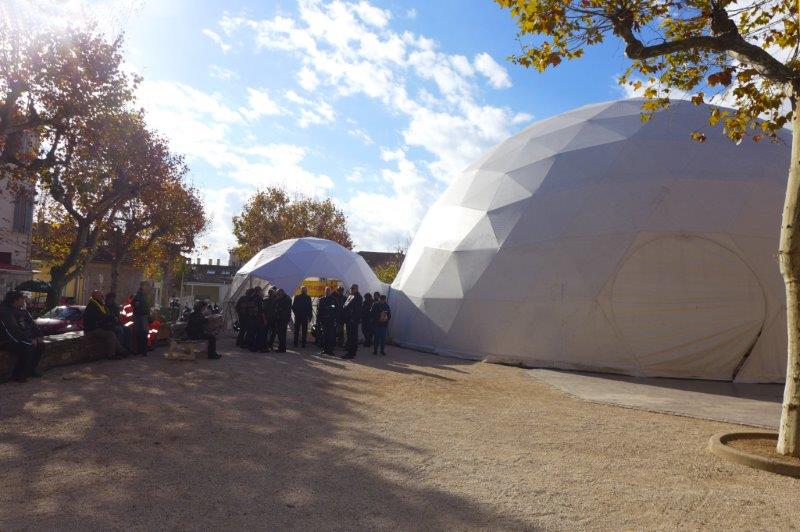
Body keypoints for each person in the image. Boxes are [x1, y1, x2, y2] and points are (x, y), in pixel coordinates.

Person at [0, 290, 43, 382]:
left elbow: (32, 324)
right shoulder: (4, 311)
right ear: (15, 300)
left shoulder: (23, 310)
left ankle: (30, 370)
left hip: (21, 338)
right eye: (22, 299)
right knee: (27, 347)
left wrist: (38, 335)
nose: (24, 301)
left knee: (40, 344)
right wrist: (28, 340)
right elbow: (12, 330)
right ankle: (18, 375)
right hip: (7, 340)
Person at [83, 290, 128, 359]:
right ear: (96, 296)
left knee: (117, 332)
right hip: (92, 329)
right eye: (101, 296)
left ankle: (122, 351)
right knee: (111, 334)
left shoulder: (97, 304)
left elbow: (104, 316)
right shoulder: (93, 306)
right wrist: (112, 318)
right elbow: (101, 317)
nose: (102, 297)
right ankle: (112, 354)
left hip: (97, 327)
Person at [342, 284, 362, 359]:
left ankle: (351, 353)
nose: (351, 289)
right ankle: (349, 350)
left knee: (352, 336)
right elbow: (345, 305)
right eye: (351, 288)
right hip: (348, 319)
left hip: (353, 320)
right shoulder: (350, 296)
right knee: (349, 336)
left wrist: (353, 319)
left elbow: (357, 310)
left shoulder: (358, 297)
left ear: (356, 289)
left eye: (353, 288)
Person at [132, 281, 151, 356]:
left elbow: (149, 304)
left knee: (144, 332)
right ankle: (139, 350)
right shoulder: (137, 294)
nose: (145, 287)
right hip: (138, 315)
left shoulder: (147, 294)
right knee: (139, 332)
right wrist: (135, 304)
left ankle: (144, 350)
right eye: (144, 285)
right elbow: (132, 303)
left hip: (144, 315)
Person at [317, 287, 337, 355]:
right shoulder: (321, 299)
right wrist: (319, 320)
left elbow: (335, 307)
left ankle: (330, 350)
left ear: (330, 292)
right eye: (326, 291)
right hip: (324, 320)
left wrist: (330, 307)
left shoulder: (334, 299)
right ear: (325, 291)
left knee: (331, 335)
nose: (327, 292)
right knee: (325, 335)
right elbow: (319, 310)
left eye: (329, 291)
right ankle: (325, 350)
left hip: (331, 320)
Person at [273, 288, 292, 352]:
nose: (277, 295)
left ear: (282, 293)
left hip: (283, 318)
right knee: (280, 333)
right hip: (280, 318)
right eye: (277, 294)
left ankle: (282, 348)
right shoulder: (281, 298)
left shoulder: (287, 299)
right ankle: (281, 347)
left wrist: (279, 310)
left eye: (278, 294)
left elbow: (284, 309)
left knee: (282, 333)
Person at [247, 286, 264, 352]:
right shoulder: (259, 298)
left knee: (251, 333)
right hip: (257, 317)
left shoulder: (250, 297)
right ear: (259, 291)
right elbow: (261, 309)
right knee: (258, 333)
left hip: (250, 317)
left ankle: (251, 346)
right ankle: (257, 347)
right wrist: (264, 318)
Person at [261, 287, 277, 352]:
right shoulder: (275, 300)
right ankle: (268, 345)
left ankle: (268, 345)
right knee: (271, 332)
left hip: (270, 319)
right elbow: (263, 311)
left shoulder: (265, 300)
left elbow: (263, 311)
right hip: (270, 319)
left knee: (268, 333)